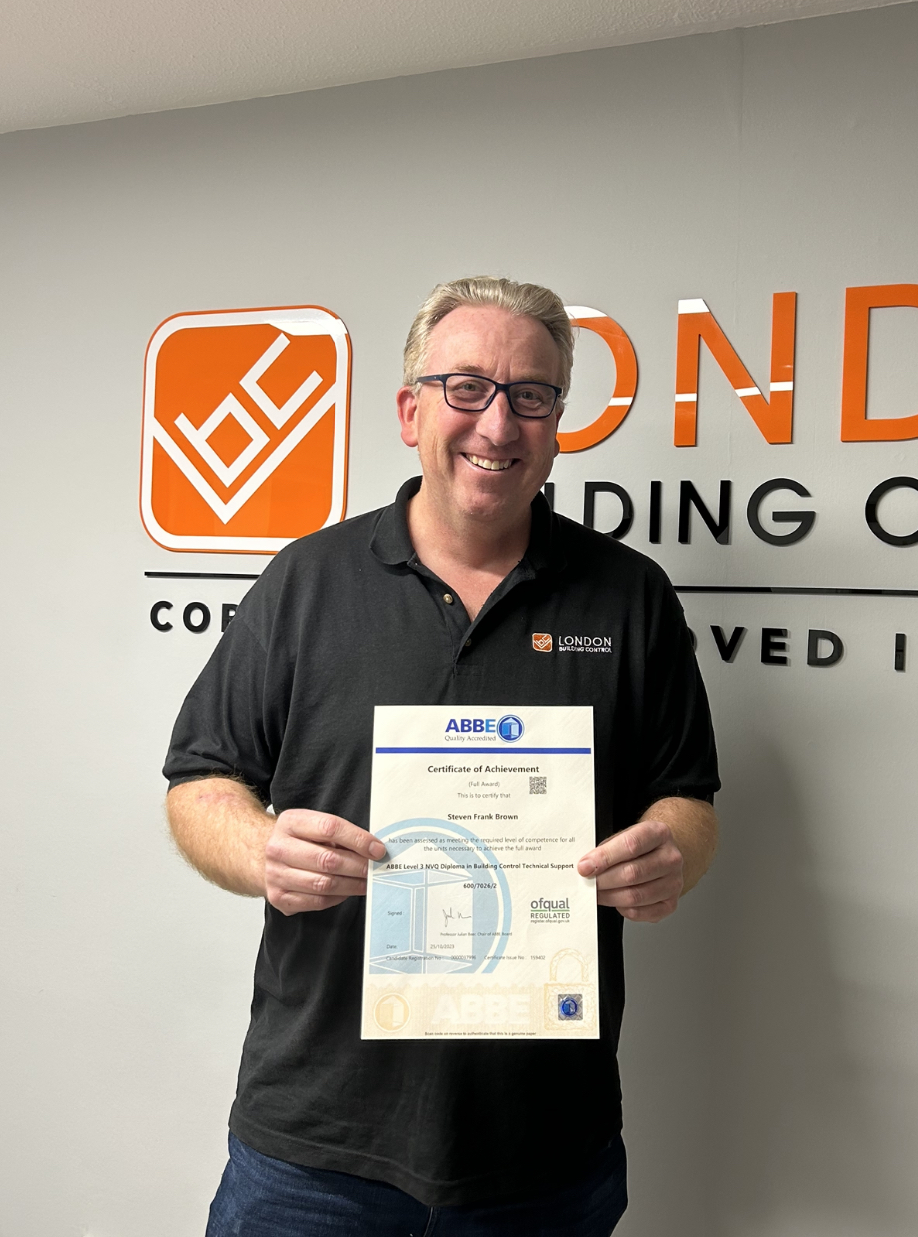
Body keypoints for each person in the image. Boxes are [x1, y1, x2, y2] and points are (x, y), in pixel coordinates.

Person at [165, 276, 721, 1236]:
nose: (497, 424)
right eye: (466, 388)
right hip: (315, 1148)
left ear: (557, 423)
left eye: (531, 395)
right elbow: (199, 779)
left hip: (543, 1150)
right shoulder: (306, 581)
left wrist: (672, 852)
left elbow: (688, 797)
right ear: (410, 410)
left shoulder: (630, 596)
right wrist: (261, 852)